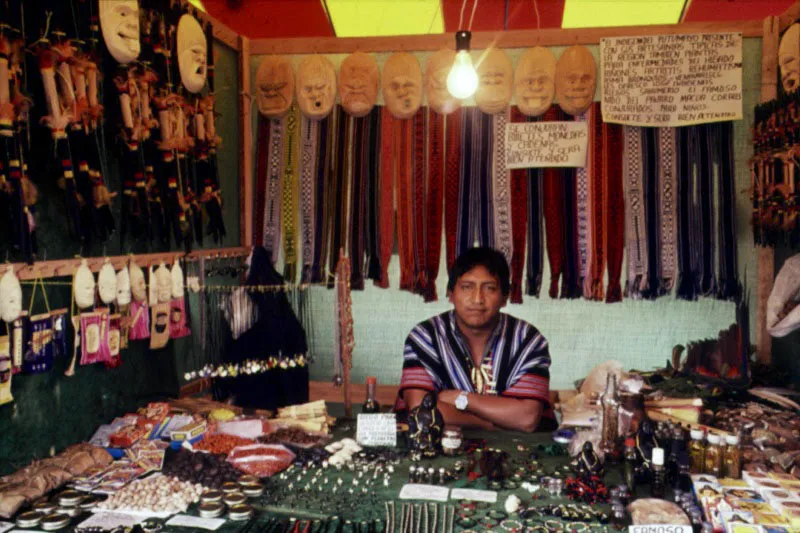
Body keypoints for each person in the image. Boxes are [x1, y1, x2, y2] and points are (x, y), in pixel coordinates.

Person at [398, 247, 552, 432]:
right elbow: (420, 410)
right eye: (467, 287)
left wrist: (461, 398)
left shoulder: (528, 340)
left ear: (505, 297)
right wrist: (490, 422)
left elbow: (527, 419)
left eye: (489, 288)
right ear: (450, 294)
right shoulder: (426, 336)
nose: (477, 299)